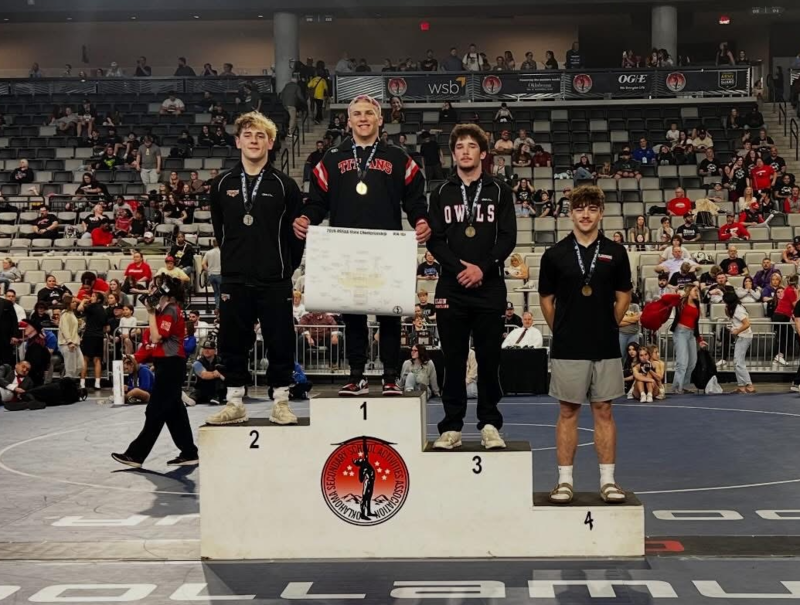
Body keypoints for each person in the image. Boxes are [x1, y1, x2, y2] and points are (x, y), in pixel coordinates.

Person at [293, 94, 430, 396]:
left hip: (388, 247)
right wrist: (305, 217)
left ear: (381, 119)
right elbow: (317, 201)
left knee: (390, 314)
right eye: (357, 113)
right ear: (349, 120)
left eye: (370, 113)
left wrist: (421, 219)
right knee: (351, 311)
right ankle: (356, 375)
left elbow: (415, 198)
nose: (364, 118)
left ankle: (391, 376)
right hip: (345, 246)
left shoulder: (398, 157)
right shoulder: (331, 157)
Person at [207, 112, 305, 426]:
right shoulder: (222, 184)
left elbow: (295, 236)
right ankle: (234, 401)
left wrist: (283, 268)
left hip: (274, 278)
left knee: (280, 340)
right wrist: (236, 262)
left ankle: (280, 402)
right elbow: (221, 231)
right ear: (237, 141)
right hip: (235, 279)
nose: (253, 140)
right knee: (232, 340)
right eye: (248, 135)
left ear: (271, 142)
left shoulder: (285, 185)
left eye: (260, 135)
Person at [538, 185, 632, 504]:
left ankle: (608, 481)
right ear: (571, 213)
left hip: (604, 343)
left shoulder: (616, 253)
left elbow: (623, 296)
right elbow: (546, 300)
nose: (586, 214)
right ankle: (564, 481)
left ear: (601, 213)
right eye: (580, 209)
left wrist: (608, 324)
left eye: (592, 209)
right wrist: (563, 330)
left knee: (604, 410)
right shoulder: (554, 255)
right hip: (569, 346)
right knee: (568, 411)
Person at [426, 123, 515, 450]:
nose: (465, 151)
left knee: (490, 360)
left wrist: (484, 268)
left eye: (471, 146)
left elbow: (508, 236)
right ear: (454, 153)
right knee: (453, 359)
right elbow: (435, 239)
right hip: (452, 288)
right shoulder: (440, 192)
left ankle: (490, 423)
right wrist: (458, 268)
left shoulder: (499, 190)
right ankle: (451, 426)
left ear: (483, 152)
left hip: (490, 287)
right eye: (459, 146)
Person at [112, 276, 198, 468]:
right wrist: (136, 357)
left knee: (155, 411)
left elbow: (157, 337)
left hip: (171, 365)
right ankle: (189, 451)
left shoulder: (170, 310)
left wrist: (150, 312)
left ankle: (135, 454)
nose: (150, 291)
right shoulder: (164, 311)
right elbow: (152, 342)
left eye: (154, 288)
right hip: (165, 364)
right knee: (175, 411)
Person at [670, 285, 704, 394]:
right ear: (689, 291)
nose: (697, 293)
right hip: (680, 332)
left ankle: (684, 385)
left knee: (692, 362)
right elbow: (669, 300)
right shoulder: (681, 302)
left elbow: (696, 323)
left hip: (691, 333)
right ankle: (677, 387)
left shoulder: (697, 304)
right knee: (682, 361)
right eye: (695, 290)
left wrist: (699, 339)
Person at [723, 291, 754, 394]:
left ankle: (749, 385)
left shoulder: (738, 310)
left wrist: (737, 331)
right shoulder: (735, 308)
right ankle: (741, 386)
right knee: (737, 362)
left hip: (744, 337)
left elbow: (747, 324)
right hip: (741, 336)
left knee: (739, 362)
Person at [183, 339, 227, 406]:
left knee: (219, 381)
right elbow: (204, 375)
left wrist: (220, 375)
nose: (206, 351)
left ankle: (216, 397)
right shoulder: (197, 363)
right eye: (205, 348)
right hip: (203, 390)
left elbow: (226, 377)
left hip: (217, 390)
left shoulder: (221, 361)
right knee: (197, 391)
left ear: (214, 351)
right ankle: (191, 400)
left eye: (209, 349)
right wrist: (215, 374)